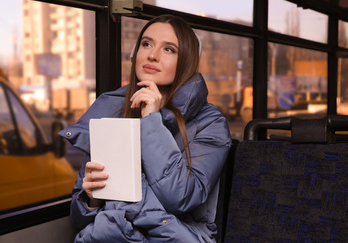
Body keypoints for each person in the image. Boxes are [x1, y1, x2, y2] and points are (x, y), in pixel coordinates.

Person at [59, 14, 231, 242]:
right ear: (135, 54)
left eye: (169, 49)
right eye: (146, 44)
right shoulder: (111, 112)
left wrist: (151, 120)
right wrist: (91, 200)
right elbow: (80, 220)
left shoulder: (211, 123)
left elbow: (180, 197)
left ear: (186, 62)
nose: (152, 55)